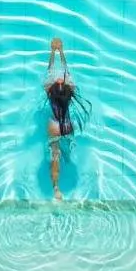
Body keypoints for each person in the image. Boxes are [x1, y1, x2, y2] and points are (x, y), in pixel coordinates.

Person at [43, 37, 88, 200]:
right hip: (67, 125)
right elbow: (66, 70)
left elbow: (49, 71)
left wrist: (52, 52)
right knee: (67, 145)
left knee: (54, 154)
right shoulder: (71, 91)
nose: (59, 78)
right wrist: (61, 52)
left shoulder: (48, 90)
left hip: (54, 125)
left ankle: (56, 189)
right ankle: (67, 156)